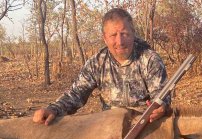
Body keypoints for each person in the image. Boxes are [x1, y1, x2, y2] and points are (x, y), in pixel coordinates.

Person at [33, 7, 170, 126]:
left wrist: (161, 106)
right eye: (113, 35)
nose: (120, 41)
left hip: (144, 124)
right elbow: (76, 94)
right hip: (109, 127)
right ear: (105, 38)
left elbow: (161, 97)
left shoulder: (150, 59)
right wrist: (54, 109)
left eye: (124, 34)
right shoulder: (97, 62)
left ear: (133, 33)